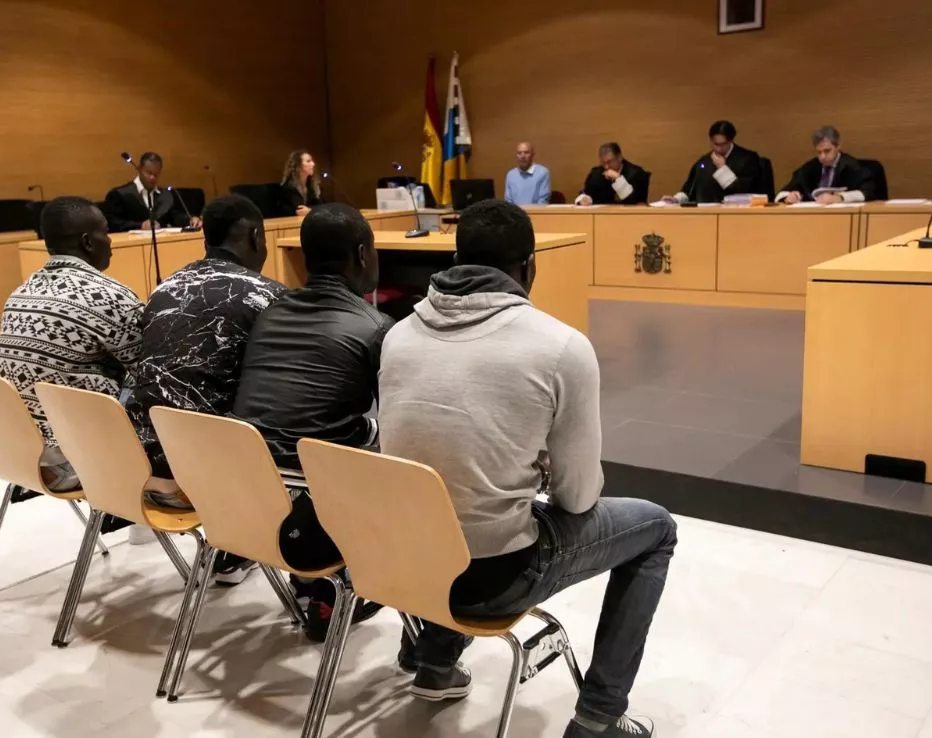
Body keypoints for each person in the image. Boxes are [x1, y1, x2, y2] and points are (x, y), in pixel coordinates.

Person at [379, 199, 677, 738]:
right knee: (656, 529)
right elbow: (580, 498)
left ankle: (436, 664)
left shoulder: (397, 336)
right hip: (494, 580)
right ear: (528, 268)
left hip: (405, 568)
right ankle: (599, 719)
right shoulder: (561, 346)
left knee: (453, 501)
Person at [232, 202, 391, 641]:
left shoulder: (268, 315)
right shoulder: (376, 327)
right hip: (317, 496)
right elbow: (399, 427)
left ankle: (313, 585)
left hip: (244, 491)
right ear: (362, 255)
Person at [126, 194, 285, 584]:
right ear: (255, 235)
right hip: (211, 475)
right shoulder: (266, 296)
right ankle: (262, 552)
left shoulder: (164, 290)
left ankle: (234, 545)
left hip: (135, 467)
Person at [0, 196, 143, 492]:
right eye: (106, 232)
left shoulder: (19, 293)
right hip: (78, 455)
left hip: (22, 454)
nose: (110, 241)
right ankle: (141, 502)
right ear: (88, 242)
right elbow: (151, 369)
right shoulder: (108, 296)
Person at [665, 120, 763, 203]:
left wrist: (722, 168)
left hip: (736, 216)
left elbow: (744, 192)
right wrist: (676, 199)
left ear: (731, 141)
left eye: (723, 144)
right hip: (705, 214)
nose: (719, 149)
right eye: (715, 144)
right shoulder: (704, 161)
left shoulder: (748, 159)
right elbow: (689, 188)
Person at [102, 152, 201, 233]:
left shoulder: (165, 195)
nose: (152, 178)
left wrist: (189, 219)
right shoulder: (120, 194)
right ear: (140, 169)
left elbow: (173, 216)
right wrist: (140, 225)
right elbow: (110, 222)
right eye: (149, 173)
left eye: (156, 174)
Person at [775, 126, 876, 204]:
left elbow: (868, 193)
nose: (822, 157)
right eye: (819, 152)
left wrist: (840, 198)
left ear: (838, 147)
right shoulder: (810, 168)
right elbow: (780, 194)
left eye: (827, 151)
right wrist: (787, 198)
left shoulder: (852, 166)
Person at [574, 143, 648, 206]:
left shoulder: (637, 174)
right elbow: (585, 194)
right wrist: (585, 199)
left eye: (610, 162)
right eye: (603, 163)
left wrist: (618, 178)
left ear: (619, 157)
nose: (606, 167)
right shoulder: (595, 174)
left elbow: (635, 202)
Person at [276, 150, 322, 217]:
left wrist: (311, 210)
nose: (313, 164)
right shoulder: (288, 188)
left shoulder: (313, 186)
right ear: (298, 166)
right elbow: (299, 210)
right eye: (308, 161)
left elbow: (322, 207)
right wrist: (312, 211)